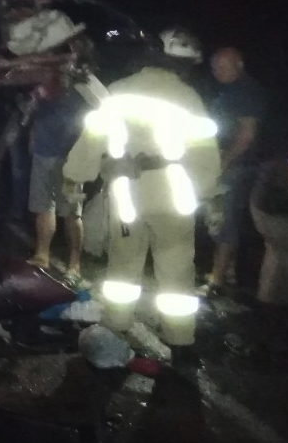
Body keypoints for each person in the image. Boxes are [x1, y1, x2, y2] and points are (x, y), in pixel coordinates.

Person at [62, 28, 221, 308]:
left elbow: (92, 139)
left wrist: (73, 177)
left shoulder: (119, 91)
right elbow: (205, 155)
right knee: (176, 269)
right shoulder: (189, 98)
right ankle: (179, 332)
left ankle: (117, 324)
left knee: (123, 269)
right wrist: (208, 194)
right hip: (175, 197)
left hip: (127, 196)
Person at [207, 47, 267, 292]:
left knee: (225, 220)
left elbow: (246, 136)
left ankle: (216, 279)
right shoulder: (230, 90)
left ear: (239, 64)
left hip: (238, 166)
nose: (217, 71)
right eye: (214, 67)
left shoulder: (246, 91)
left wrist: (223, 162)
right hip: (234, 164)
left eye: (223, 66)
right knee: (224, 218)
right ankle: (228, 272)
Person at [26, 70, 86, 279]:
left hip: (72, 158)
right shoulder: (44, 82)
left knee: (71, 212)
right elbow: (33, 112)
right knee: (43, 207)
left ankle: (75, 263)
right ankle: (42, 255)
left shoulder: (84, 87)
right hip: (43, 153)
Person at [249, 150, 288, 305]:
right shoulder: (273, 172)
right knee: (287, 242)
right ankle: (271, 300)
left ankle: (274, 299)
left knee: (278, 252)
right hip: (266, 214)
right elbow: (265, 202)